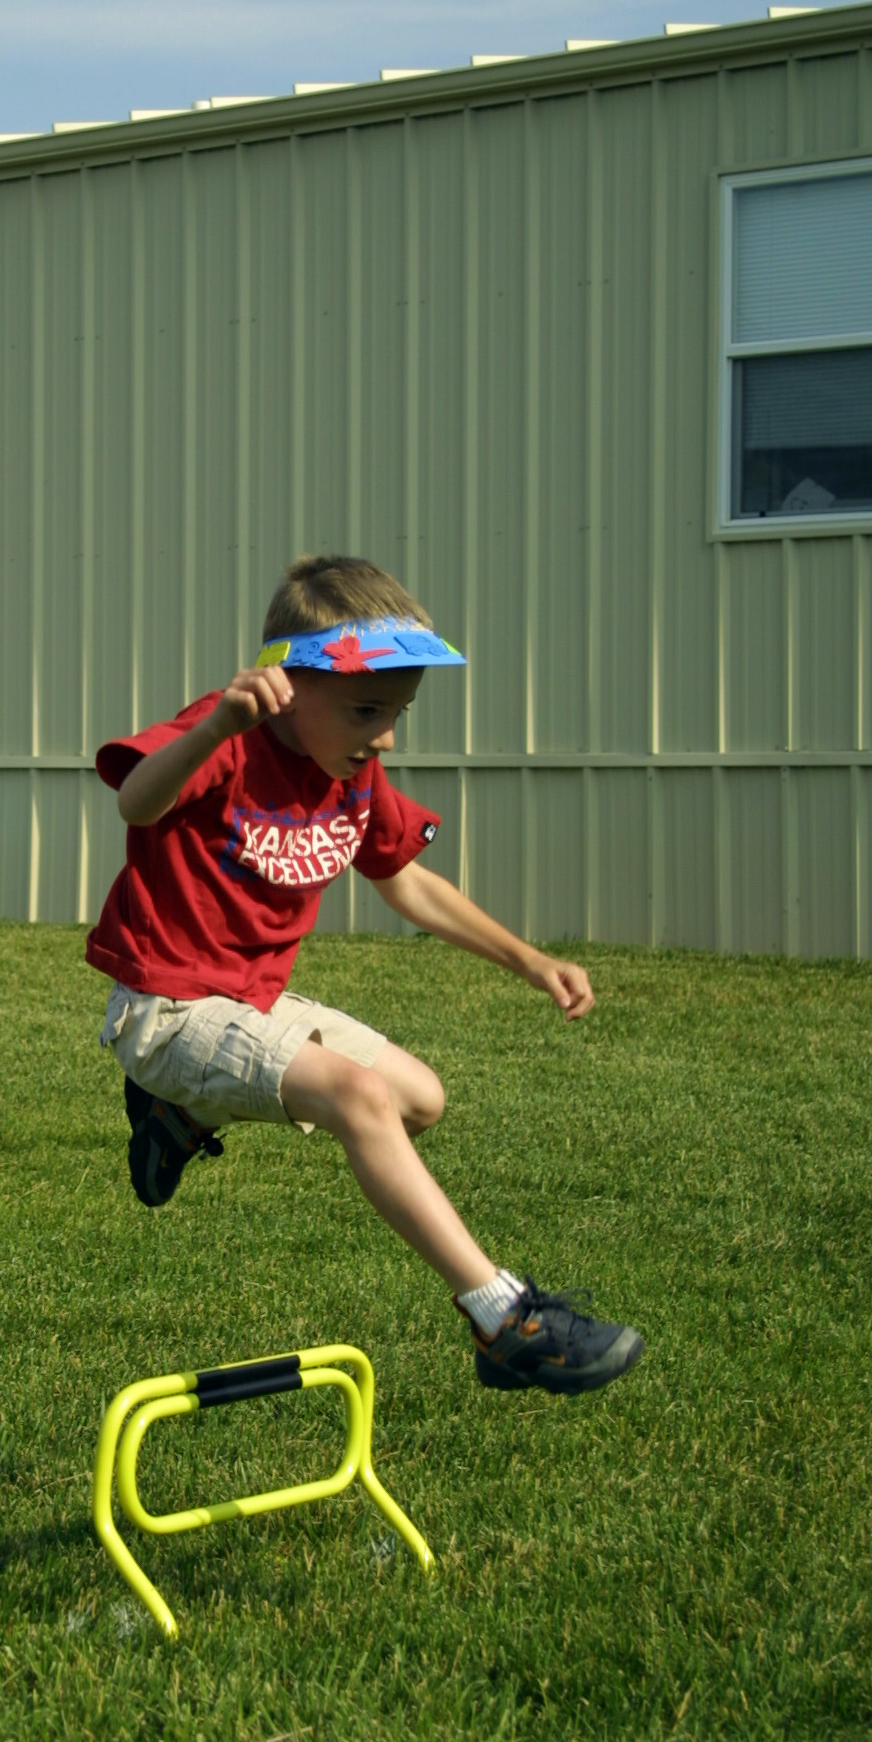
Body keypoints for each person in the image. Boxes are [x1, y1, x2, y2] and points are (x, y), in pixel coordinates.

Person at [87, 553, 644, 1396]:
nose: (384, 736)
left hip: (250, 1004)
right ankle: (503, 1318)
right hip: (166, 1011)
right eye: (366, 711)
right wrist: (215, 730)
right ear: (288, 687)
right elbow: (137, 801)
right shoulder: (228, 737)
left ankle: (180, 1116)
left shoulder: (351, 773)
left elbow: (406, 882)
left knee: (419, 1097)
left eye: (397, 713)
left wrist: (531, 961)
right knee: (360, 1098)